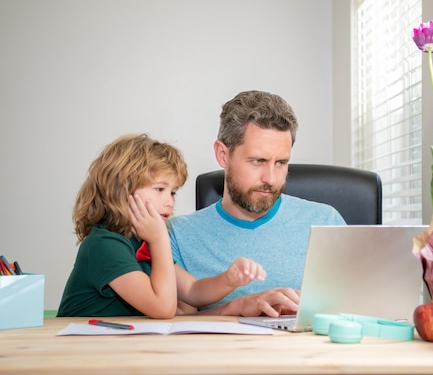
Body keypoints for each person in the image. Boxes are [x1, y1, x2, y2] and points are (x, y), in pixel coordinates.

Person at [168, 90, 346, 317]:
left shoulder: (327, 222)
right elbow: (179, 329)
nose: (270, 179)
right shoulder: (180, 235)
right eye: (258, 161)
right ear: (223, 154)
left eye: (281, 163)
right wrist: (237, 307)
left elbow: (360, 308)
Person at [57, 134, 266, 318]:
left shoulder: (140, 243)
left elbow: (193, 291)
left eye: (172, 192)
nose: (169, 202)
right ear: (122, 189)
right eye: (159, 189)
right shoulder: (104, 245)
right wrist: (159, 240)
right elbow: (163, 308)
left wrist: (229, 279)